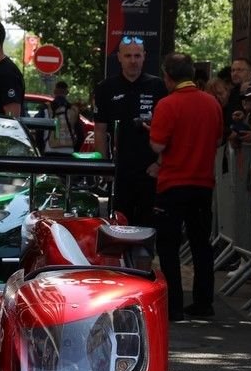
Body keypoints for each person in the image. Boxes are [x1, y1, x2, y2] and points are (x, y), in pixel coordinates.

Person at [148, 52, 225, 321]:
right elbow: (218, 140)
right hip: (203, 183)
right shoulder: (212, 103)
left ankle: (174, 305)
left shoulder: (167, 104)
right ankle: (204, 302)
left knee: (168, 245)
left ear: (167, 77)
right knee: (201, 243)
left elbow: (157, 145)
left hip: (173, 183)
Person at [92, 35, 168, 226]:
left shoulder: (158, 86)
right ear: (119, 57)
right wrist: (103, 165)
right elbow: (99, 130)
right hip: (120, 169)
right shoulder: (105, 88)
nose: (133, 61)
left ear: (144, 56)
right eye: (128, 56)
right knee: (120, 223)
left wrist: (160, 163)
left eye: (137, 56)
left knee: (147, 225)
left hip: (150, 169)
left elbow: (169, 130)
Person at [45, 80, 84, 154]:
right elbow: (80, 134)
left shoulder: (46, 108)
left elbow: (39, 132)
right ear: (67, 92)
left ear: (54, 91)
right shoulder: (73, 110)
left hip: (49, 149)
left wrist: (41, 148)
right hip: (69, 150)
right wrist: (76, 149)